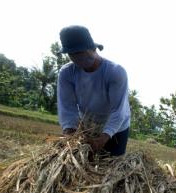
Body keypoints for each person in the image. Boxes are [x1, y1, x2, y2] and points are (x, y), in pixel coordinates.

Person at [56, 25, 131, 156]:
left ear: (93, 49)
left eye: (79, 53)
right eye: (71, 54)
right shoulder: (67, 73)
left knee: (112, 167)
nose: (76, 58)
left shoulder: (115, 72)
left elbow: (118, 111)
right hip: (88, 124)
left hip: (117, 127)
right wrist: (70, 135)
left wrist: (102, 139)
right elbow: (67, 108)